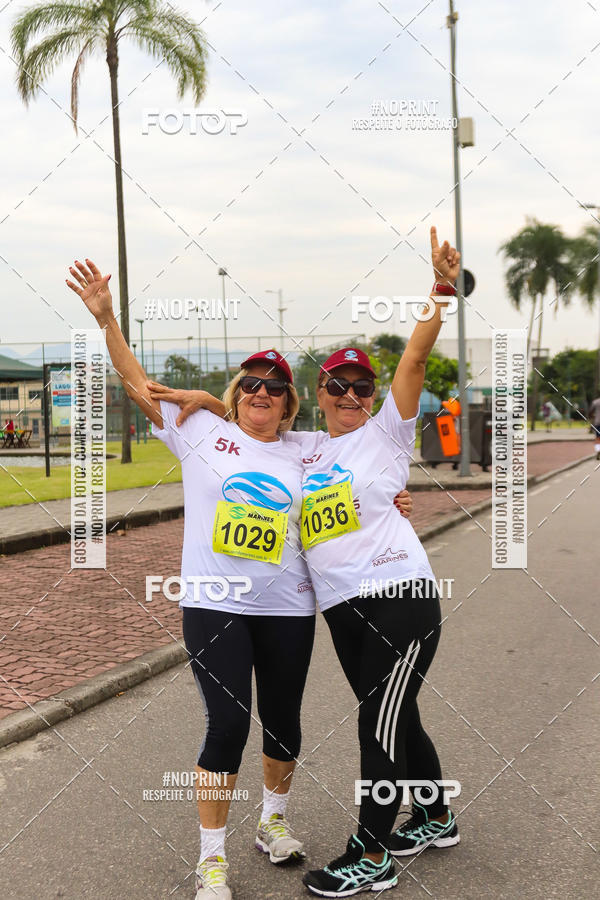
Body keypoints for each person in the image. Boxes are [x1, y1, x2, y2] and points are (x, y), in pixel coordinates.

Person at [66, 257, 413, 900]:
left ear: (289, 404)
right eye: (251, 383)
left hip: (289, 606)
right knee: (227, 725)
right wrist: (107, 319)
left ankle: (272, 822)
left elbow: (363, 467)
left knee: (284, 724)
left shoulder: (307, 449)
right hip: (214, 604)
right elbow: (136, 380)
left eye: (275, 388)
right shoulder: (197, 430)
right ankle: (212, 860)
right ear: (236, 391)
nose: (261, 393)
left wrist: (394, 501)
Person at [148, 225, 459, 897]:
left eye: (362, 386)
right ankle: (436, 814)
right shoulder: (308, 447)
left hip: (397, 597)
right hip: (341, 605)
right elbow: (254, 428)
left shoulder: (388, 430)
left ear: (373, 394)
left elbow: (413, 360)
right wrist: (210, 402)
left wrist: (439, 291)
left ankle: (371, 853)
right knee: (394, 712)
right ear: (318, 395)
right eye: (338, 385)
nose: (351, 395)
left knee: (378, 721)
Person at [590, 394, 600, 460]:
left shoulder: (595, 402)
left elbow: (590, 411)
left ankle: (598, 450)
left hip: (598, 422)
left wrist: (591, 416)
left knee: (598, 438)